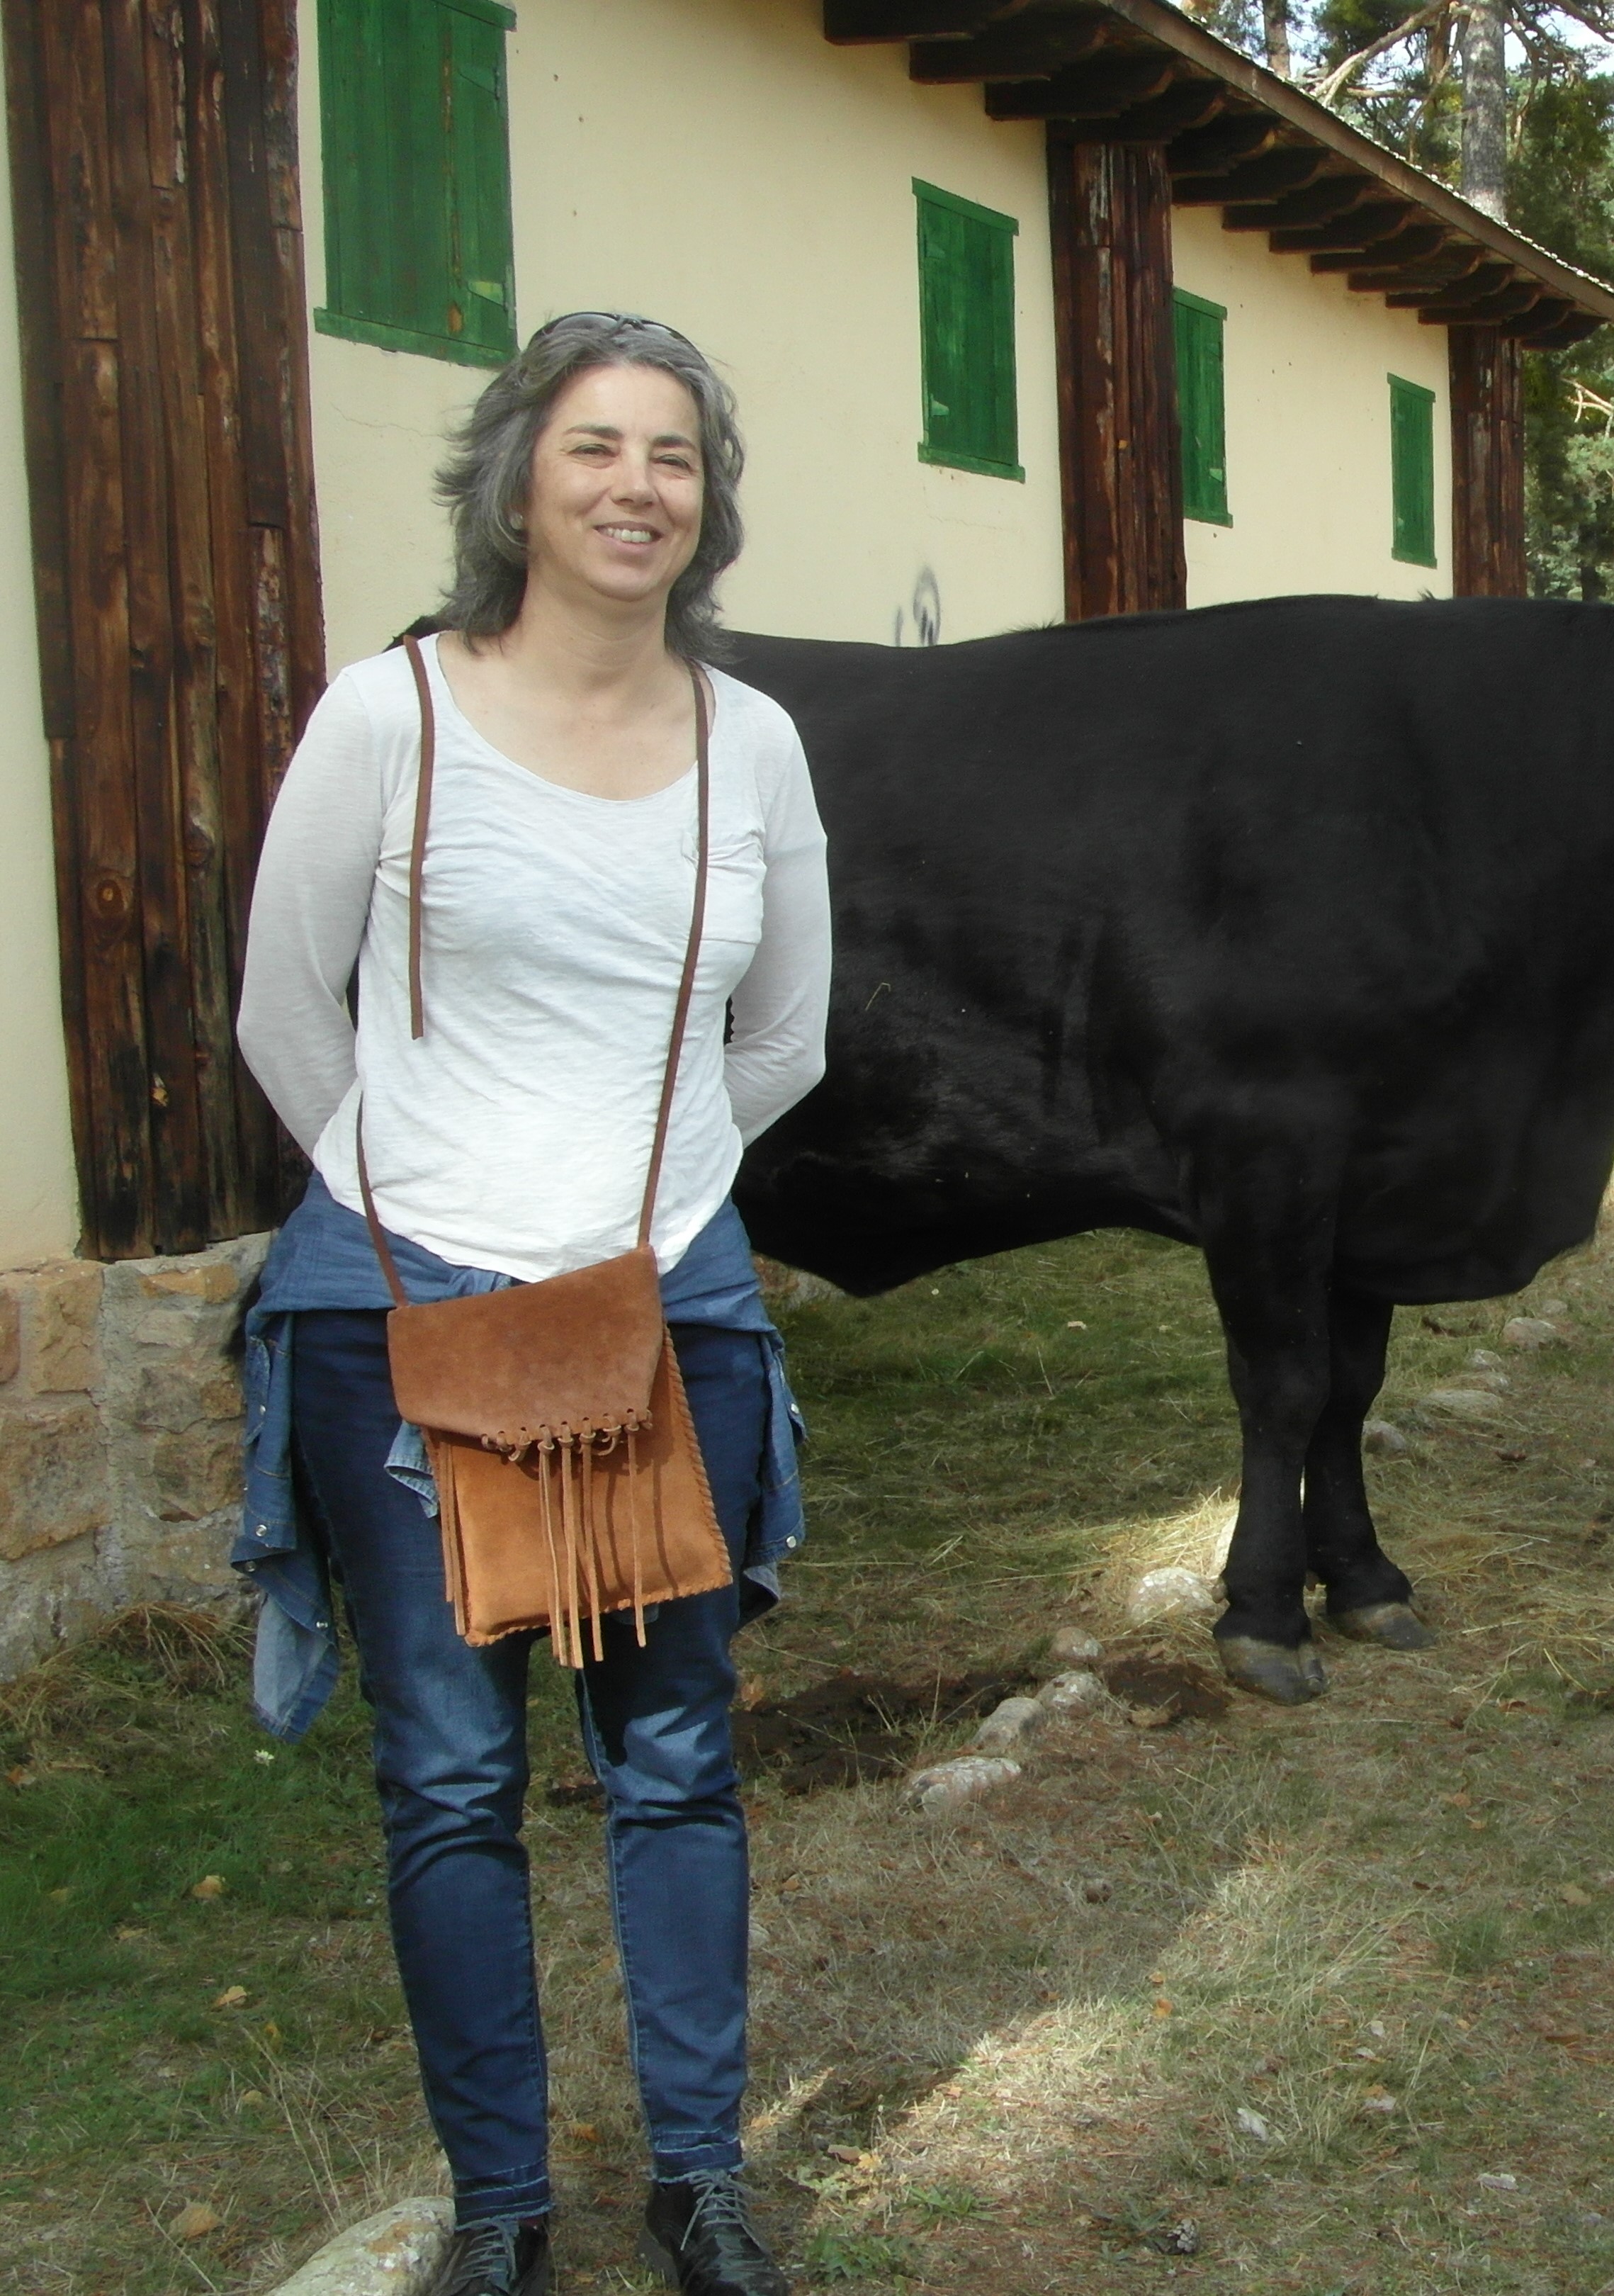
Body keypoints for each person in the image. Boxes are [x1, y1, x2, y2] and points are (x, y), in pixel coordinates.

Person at [234, 312, 830, 2296]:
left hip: (668, 1306)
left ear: (707, 501)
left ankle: (696, 2181)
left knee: (674, 1760)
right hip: (403, 1316)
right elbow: (282, 1011)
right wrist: (444, 1223)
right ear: (518, 478)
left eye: (673, 453)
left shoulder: (750, 740)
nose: (634, 486)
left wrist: (628, 1208)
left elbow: (786, 1038)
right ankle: (500, 2205)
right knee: (451, 1777)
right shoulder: (385, 715)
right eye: (594, 446)